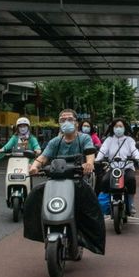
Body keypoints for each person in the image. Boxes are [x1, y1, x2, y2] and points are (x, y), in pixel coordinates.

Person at [24, 108, 105, 255]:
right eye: (62, 120)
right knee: (33, 197)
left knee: (92, 207)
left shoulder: (84, 139)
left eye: (69, 119)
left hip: (77, 181)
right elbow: (43, 157)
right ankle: (38, 232)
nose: (66, 122)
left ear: (76, 123)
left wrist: (89, 164)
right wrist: (34, 167)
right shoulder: (55, 141)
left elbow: (90, 154)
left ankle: (88, 238)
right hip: (55, 180)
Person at [97, 118, 139, 216]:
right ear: (112, 128)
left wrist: (138, 157)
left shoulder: (129, 140)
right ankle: (106, 205)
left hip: (127, 167)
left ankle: (130, 203)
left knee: (131, 179)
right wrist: (97, 159)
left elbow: (134, 150)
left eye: (120, 126)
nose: (118, 128)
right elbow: (102, 151)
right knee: (105, 180)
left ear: (124, 128)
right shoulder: (109, 140)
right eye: (116, 126)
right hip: (113, 168)